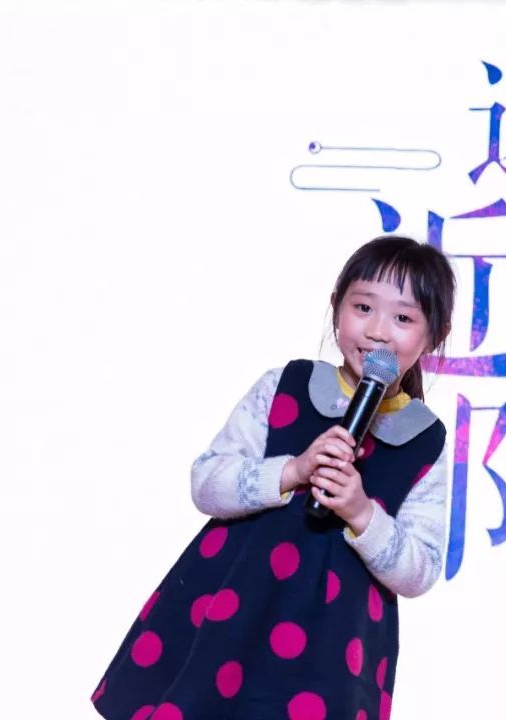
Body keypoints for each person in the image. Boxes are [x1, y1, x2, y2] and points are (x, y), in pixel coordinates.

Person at [91, 235, 456, 720]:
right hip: (233, 608)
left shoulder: (424, 439)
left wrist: (361, 513)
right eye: (363, 307)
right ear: (336, 307)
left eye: (403, 318)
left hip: (332, 643)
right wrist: (293, 470)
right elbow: (207, 482)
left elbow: (420, 570)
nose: (377, 331)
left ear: (435, 335)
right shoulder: (286, 385)